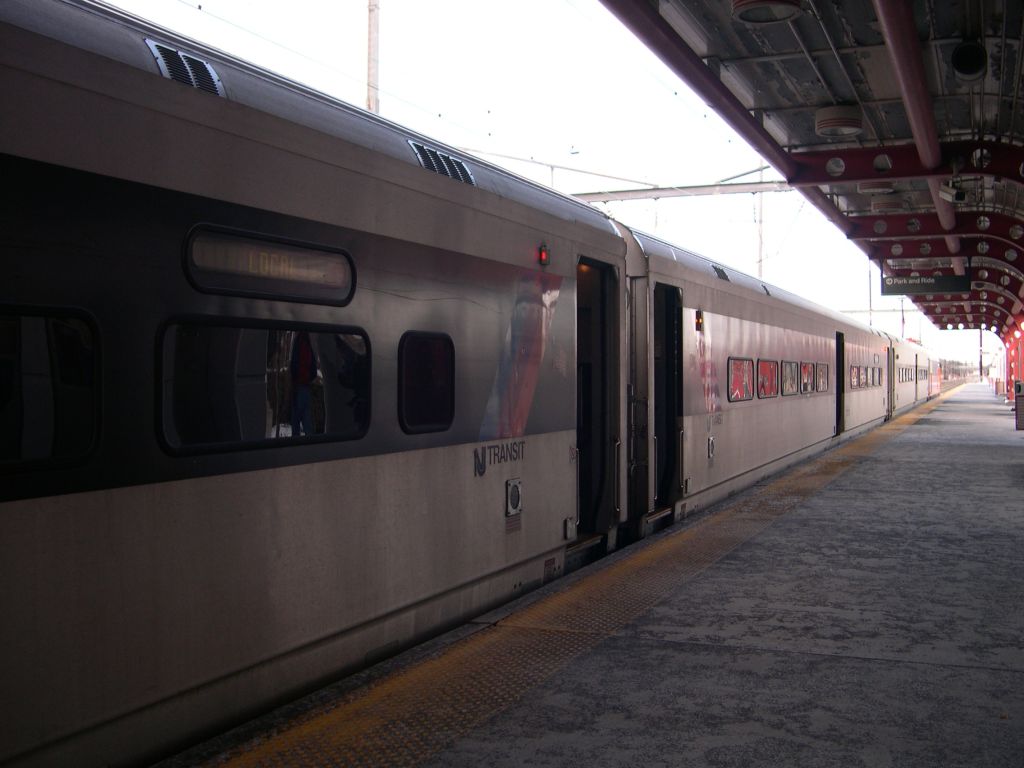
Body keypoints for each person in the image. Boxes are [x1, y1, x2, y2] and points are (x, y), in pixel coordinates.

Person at [289, 331, 318, 436]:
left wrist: (295, 379)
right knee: (306, 419)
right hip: (305, 385)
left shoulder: (299, 342)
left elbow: (294, 365)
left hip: (299, 385)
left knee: (296, 419)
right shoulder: (309, 343)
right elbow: (313, 370)